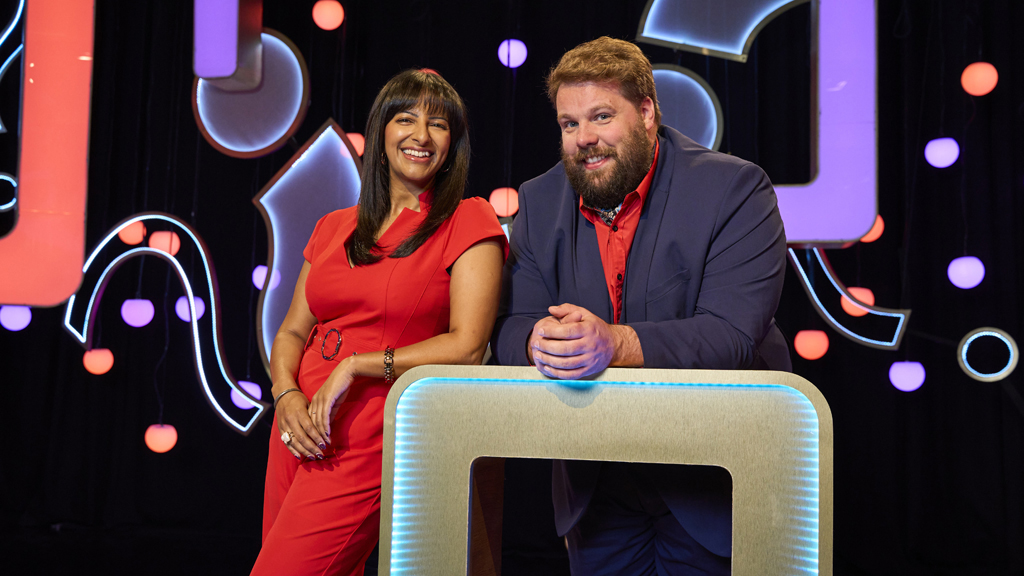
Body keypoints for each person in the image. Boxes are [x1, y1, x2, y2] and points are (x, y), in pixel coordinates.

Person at [491, 37, 790, 575]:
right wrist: (540, 341)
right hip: (597, 483)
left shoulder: (736, 189)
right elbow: (510, 326)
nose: (585, 138)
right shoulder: (538, 200)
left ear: (647, 112)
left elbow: (731, 335)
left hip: (711, 479)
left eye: (602, 116)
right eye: (569, 123)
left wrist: (614, 343)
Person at [252, 69, 507, 575]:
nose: (421, 135)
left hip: (371, 430)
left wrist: (356, 365)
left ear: (452, 144)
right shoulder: (333, 226)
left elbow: (468, 345)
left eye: (438, 124)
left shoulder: (467, 219)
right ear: (381, 132)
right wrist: (285, 395)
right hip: (298, 427)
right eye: (406, 119)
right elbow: (293, 331)